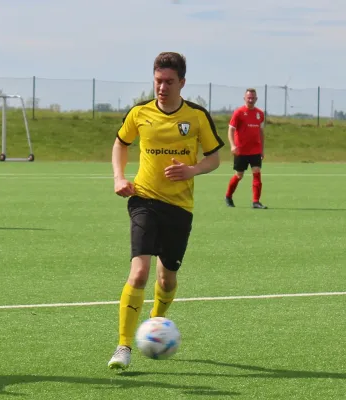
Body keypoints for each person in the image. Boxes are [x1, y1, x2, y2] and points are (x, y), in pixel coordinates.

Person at [108, 52, 224, 370]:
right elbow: (121, 143)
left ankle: (156, 322)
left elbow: (214, 157)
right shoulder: (139, 113)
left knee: (167, 279)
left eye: (169, 82)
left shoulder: (197, 116)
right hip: (143, 200)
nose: (162, 87)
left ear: (182, 83)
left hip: (180, 208)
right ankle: (124, 346)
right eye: (158, 81)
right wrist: (119, 177)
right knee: (139, 271)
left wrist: (193, 170)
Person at [225, 88, 267, 209]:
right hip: (241, 150)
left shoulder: (260, 114)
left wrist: (262, 149)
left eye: (253, 98)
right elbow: (231, 130)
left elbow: (261, 132)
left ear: (256, 99)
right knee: (239, 175)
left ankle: (256, 202)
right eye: (249, 97)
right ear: (244, 98)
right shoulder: (238, 112)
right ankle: (228, 196)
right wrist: (233, 145)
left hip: (255, 150)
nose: (251, 99)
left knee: (257, 172)